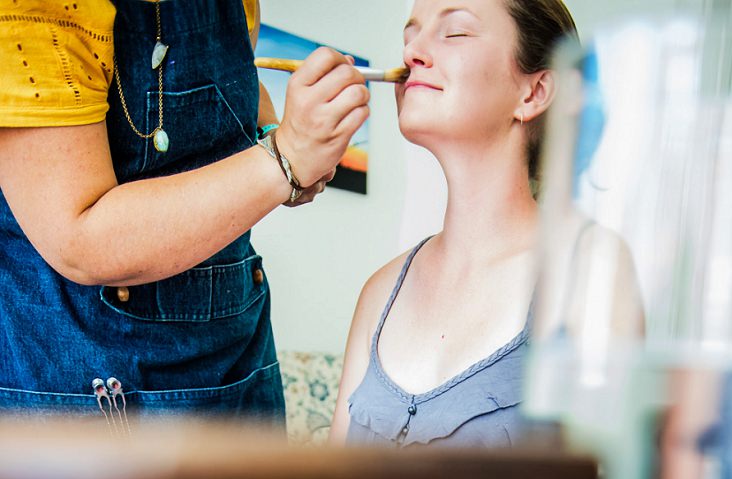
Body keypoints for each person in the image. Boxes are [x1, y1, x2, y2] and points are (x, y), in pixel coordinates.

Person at [0, 0, 368, 425]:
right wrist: (283, 160)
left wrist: (275, 139)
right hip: (90, 379)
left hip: (241, 350)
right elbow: (80, 238)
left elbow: (236, 88)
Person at [330, 0, 642, 449]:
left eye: (454, 32)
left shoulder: (591, 270)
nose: (412, 53)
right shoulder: (379, 292)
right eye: (409, 35)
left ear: (533, 93)